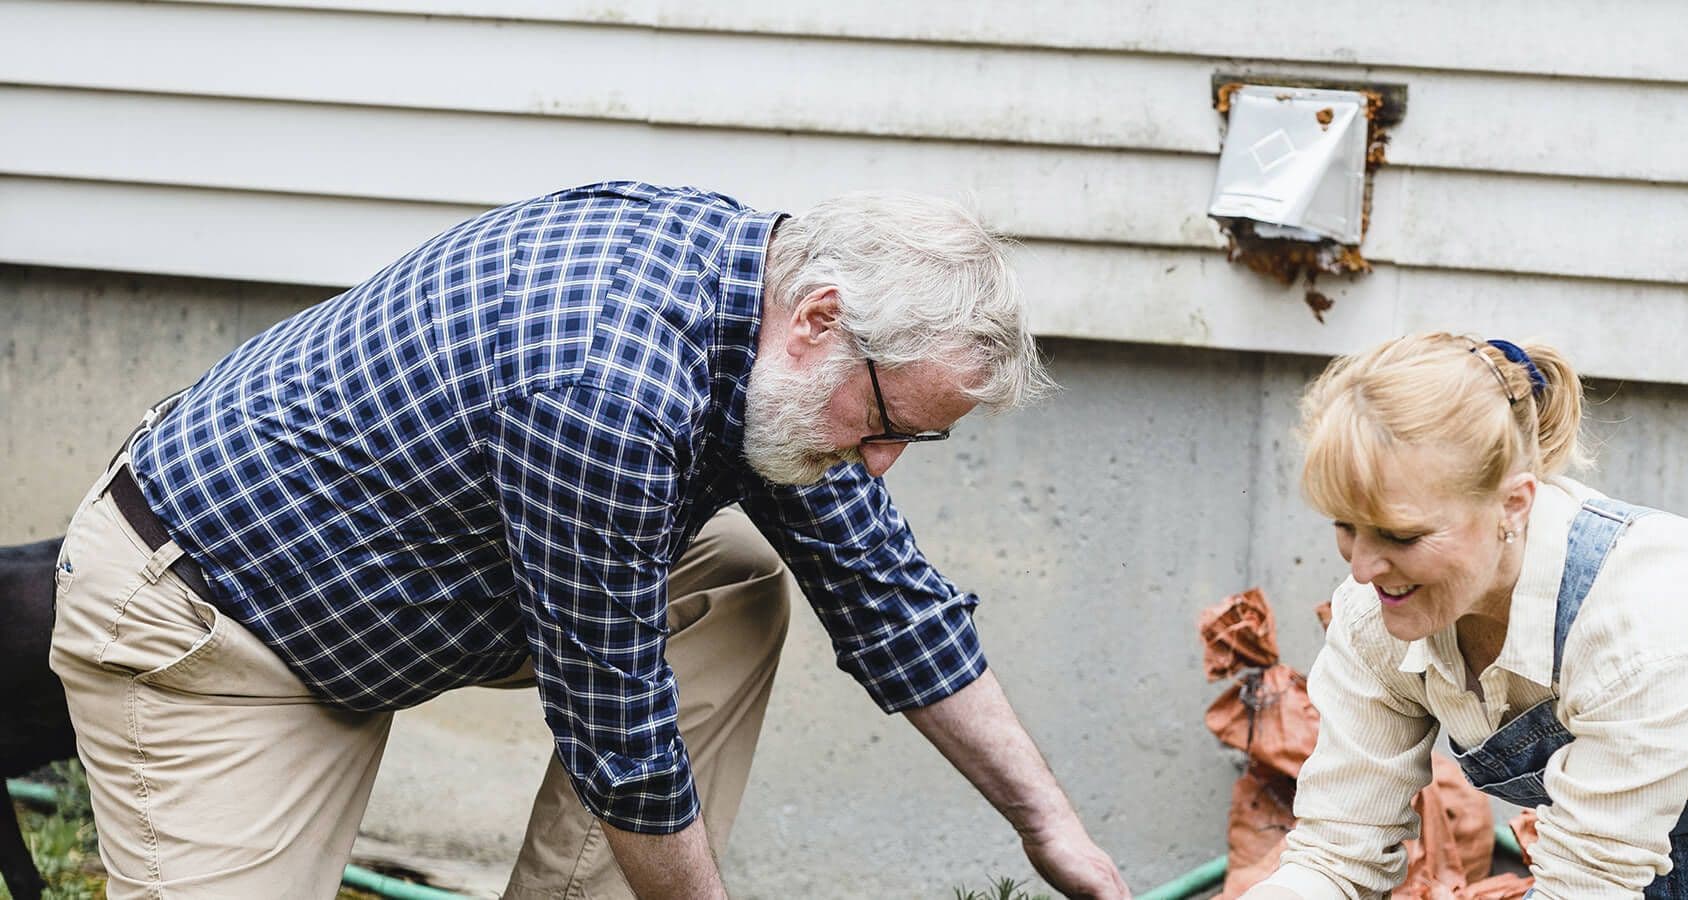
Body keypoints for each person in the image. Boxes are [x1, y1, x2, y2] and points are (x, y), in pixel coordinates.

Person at [49, 182, 1130, 899]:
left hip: (410, 577)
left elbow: (885, 593)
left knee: (735, 580)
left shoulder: (768, 323)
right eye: (891, 426)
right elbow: (621, 732)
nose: (885, 462)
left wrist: (1054, 834)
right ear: (820, 322)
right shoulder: (606, 385)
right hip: (216, 623)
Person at [1248, 332, 1688, 898]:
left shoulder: (1650, 624)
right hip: (1610, 858)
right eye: (1346, 527)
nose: (1362, 569)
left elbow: (1585, 885)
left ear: (1514, 504)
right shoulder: (1376, 618)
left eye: (1400, 536)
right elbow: (1336, 853)